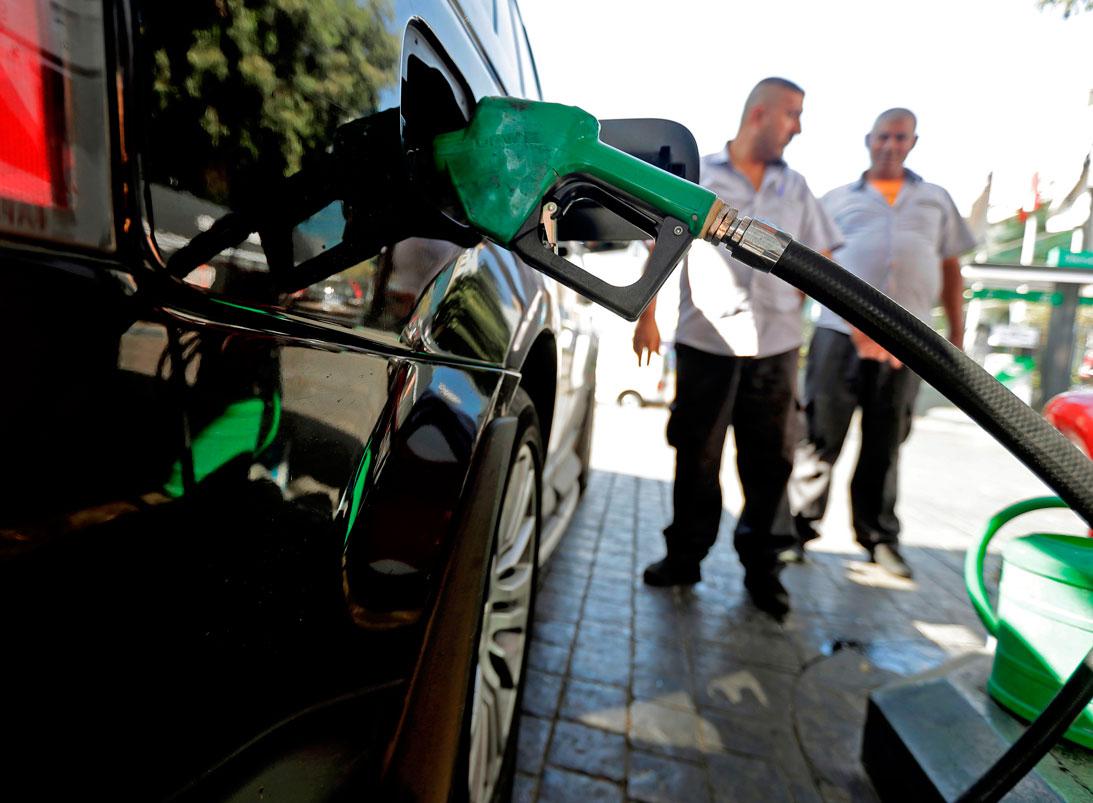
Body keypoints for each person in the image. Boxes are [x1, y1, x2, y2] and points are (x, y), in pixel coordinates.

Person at [633, 77, 841, 618]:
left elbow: (822, 255)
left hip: (776, 346)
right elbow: (661, 242)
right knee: (696, 454)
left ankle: (764, 570)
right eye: (792, 114)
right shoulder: (700, 174)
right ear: (760, 115)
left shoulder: (795, 188)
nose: (797, 126)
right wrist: (646, 316)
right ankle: (684, 556)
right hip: (706, 340)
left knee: (770, 461)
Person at [788, 108, 975, 579]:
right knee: (820, 436)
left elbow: (951, 269)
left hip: (907, 340)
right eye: (883, 137)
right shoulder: (835, 199)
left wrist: (956, 334)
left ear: (913, 142)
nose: (890, 145)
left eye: (900, 137)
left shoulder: (936, 200)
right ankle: (795, 533)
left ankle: (878, 538)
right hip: (837, 334)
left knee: (886, 442)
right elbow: (812, 264)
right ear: (868, 141)